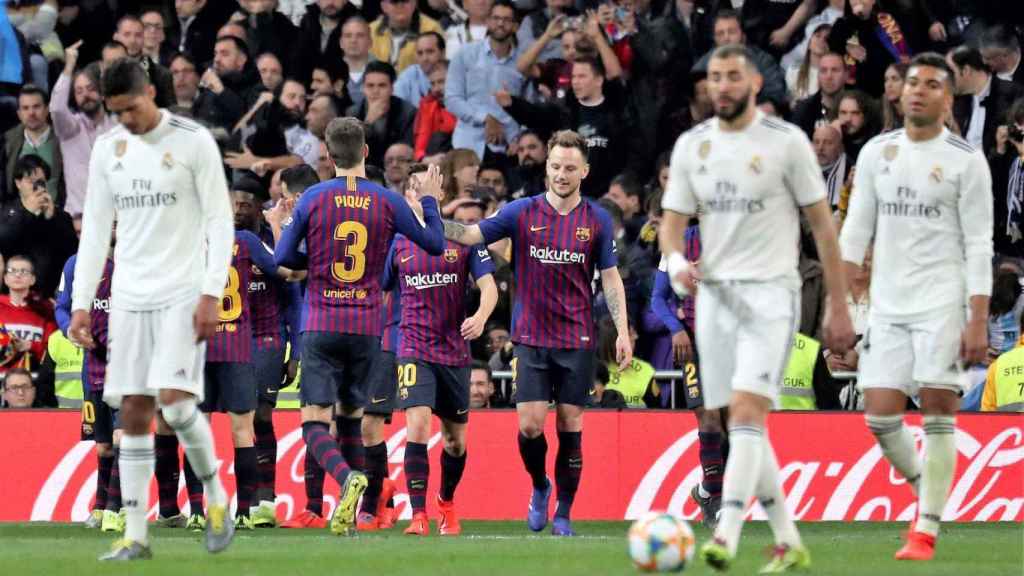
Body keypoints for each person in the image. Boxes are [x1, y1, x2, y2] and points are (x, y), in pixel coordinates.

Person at [659, 45, 855, 572]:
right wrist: (677, 263)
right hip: (715, 299)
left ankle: (726, 530)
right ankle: (788, 540)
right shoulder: (691, 147)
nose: (721, 85)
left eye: (731, 76)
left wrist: (840, 306)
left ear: (753, 83)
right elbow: (673, 226)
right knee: (734, 421)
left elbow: (823, 227)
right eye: (714, 76)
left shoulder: (786, 143)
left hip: (772, 292)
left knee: (746, 412)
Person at [67, 58, 236, 560]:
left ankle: (216, 498)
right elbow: (96, 230)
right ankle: (136, 534)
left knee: (177, 403)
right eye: (115, 112)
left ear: (149, 93)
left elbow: (220, 222)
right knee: (134, 410)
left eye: (132, 109)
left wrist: (211, 291)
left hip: (182, 292)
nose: (126, 121)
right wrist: (81, 303)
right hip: (128, 297)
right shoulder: (107, 149)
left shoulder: (192, 141)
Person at [839, 53, 993, 561]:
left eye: (931, 84)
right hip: (887, 305)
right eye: (911, 83)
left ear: (948, 99)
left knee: (936, 410)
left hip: (942, 304)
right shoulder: (877, 153)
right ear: (899, 93)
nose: (918, 91)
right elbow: (855, 233)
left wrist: (976, 315)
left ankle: (925, 526)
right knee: (879, 417)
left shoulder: (966, 160)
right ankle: (929, 487)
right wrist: (838, 306)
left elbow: (979, 244)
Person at [439, 129, 632, 536]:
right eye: (556, 166)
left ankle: (563, 512)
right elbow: (472, 235)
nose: (562, 174)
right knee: (529, 426)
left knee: (569, 424)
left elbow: (612, 280)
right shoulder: (522, 211)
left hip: (577, 338)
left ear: (585, 170)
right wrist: (425, 220)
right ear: (547, 167)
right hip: (531, 337)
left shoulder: (595, 219)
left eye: (570, 168)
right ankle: (540, 485)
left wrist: (622, 332)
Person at [273, 117, 447, 535]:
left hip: (320, 322)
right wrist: (430, 202)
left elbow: (281, 256)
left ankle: (349, 479)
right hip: (368, 328)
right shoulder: (388, 201)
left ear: (329, 158)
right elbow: (436, 245)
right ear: (367, 153)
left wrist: (310, 258)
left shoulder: (314, 197)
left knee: (315, 420)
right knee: (351, 415)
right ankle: (352, 510)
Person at [382, 162, 498, 536]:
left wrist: (481, 316)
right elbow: (379, 290)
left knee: (454, 440)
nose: (418, 193)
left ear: (441, 195)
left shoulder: (464, 238)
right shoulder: (396, 242)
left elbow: (490, 288)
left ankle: (446, 501)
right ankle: (417, 514)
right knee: (416, 424)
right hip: (413, 346)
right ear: (406, 196)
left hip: (454, 352)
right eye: (413, 187)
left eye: (427, 187)